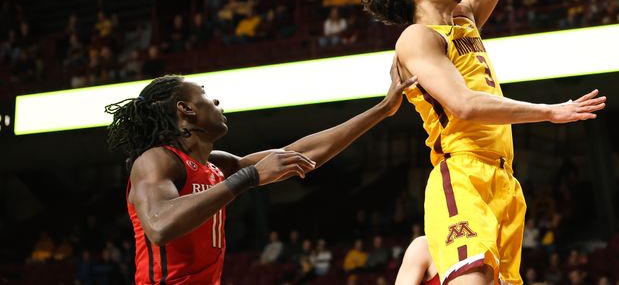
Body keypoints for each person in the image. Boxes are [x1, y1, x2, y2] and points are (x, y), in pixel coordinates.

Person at [354, 0, 605, 285]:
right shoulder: (416, 39)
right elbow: (464, 105)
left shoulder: (464, 18)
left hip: (504, 182)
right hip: (463, 172)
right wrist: (548, 112)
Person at [105, 64, 416, 285]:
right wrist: (249, 177)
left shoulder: (216, 165)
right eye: (205, 95)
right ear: (186, 109)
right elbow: (160, 225)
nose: (215, 101)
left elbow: (300, 155)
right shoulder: (155, 160)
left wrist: (384, 109)